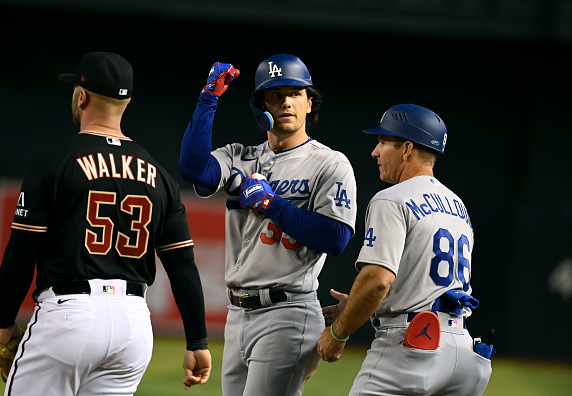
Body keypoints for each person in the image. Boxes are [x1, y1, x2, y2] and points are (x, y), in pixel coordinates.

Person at [0, 51, 211, 395]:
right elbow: (183, 265)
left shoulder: (55, 162)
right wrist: (197, 339)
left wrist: (5, 321)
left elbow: (21, 252)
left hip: (69, 315)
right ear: (126, 103)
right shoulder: (160, 176)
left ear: (81, 96)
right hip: (134, 326)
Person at [179, 54, 357, 395]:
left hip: (288, 311)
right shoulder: (240, 156)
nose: (286, 102)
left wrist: (272, 204)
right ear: (260, 106)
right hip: (237, 313)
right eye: (275, 95)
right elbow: (193, 169)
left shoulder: (328, 163)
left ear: (309, 102)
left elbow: (335, 238)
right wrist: (208, 99)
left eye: (295, 93)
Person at [317, 104, 494, 395]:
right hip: (464, 353)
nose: (375, 151)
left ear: (407, 149)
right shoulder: (458, 206)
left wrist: (338, 333)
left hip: (413, 346)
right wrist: (357, 306)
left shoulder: (392, 198)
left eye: (384, 142)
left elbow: (377, 281)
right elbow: (420, 282)